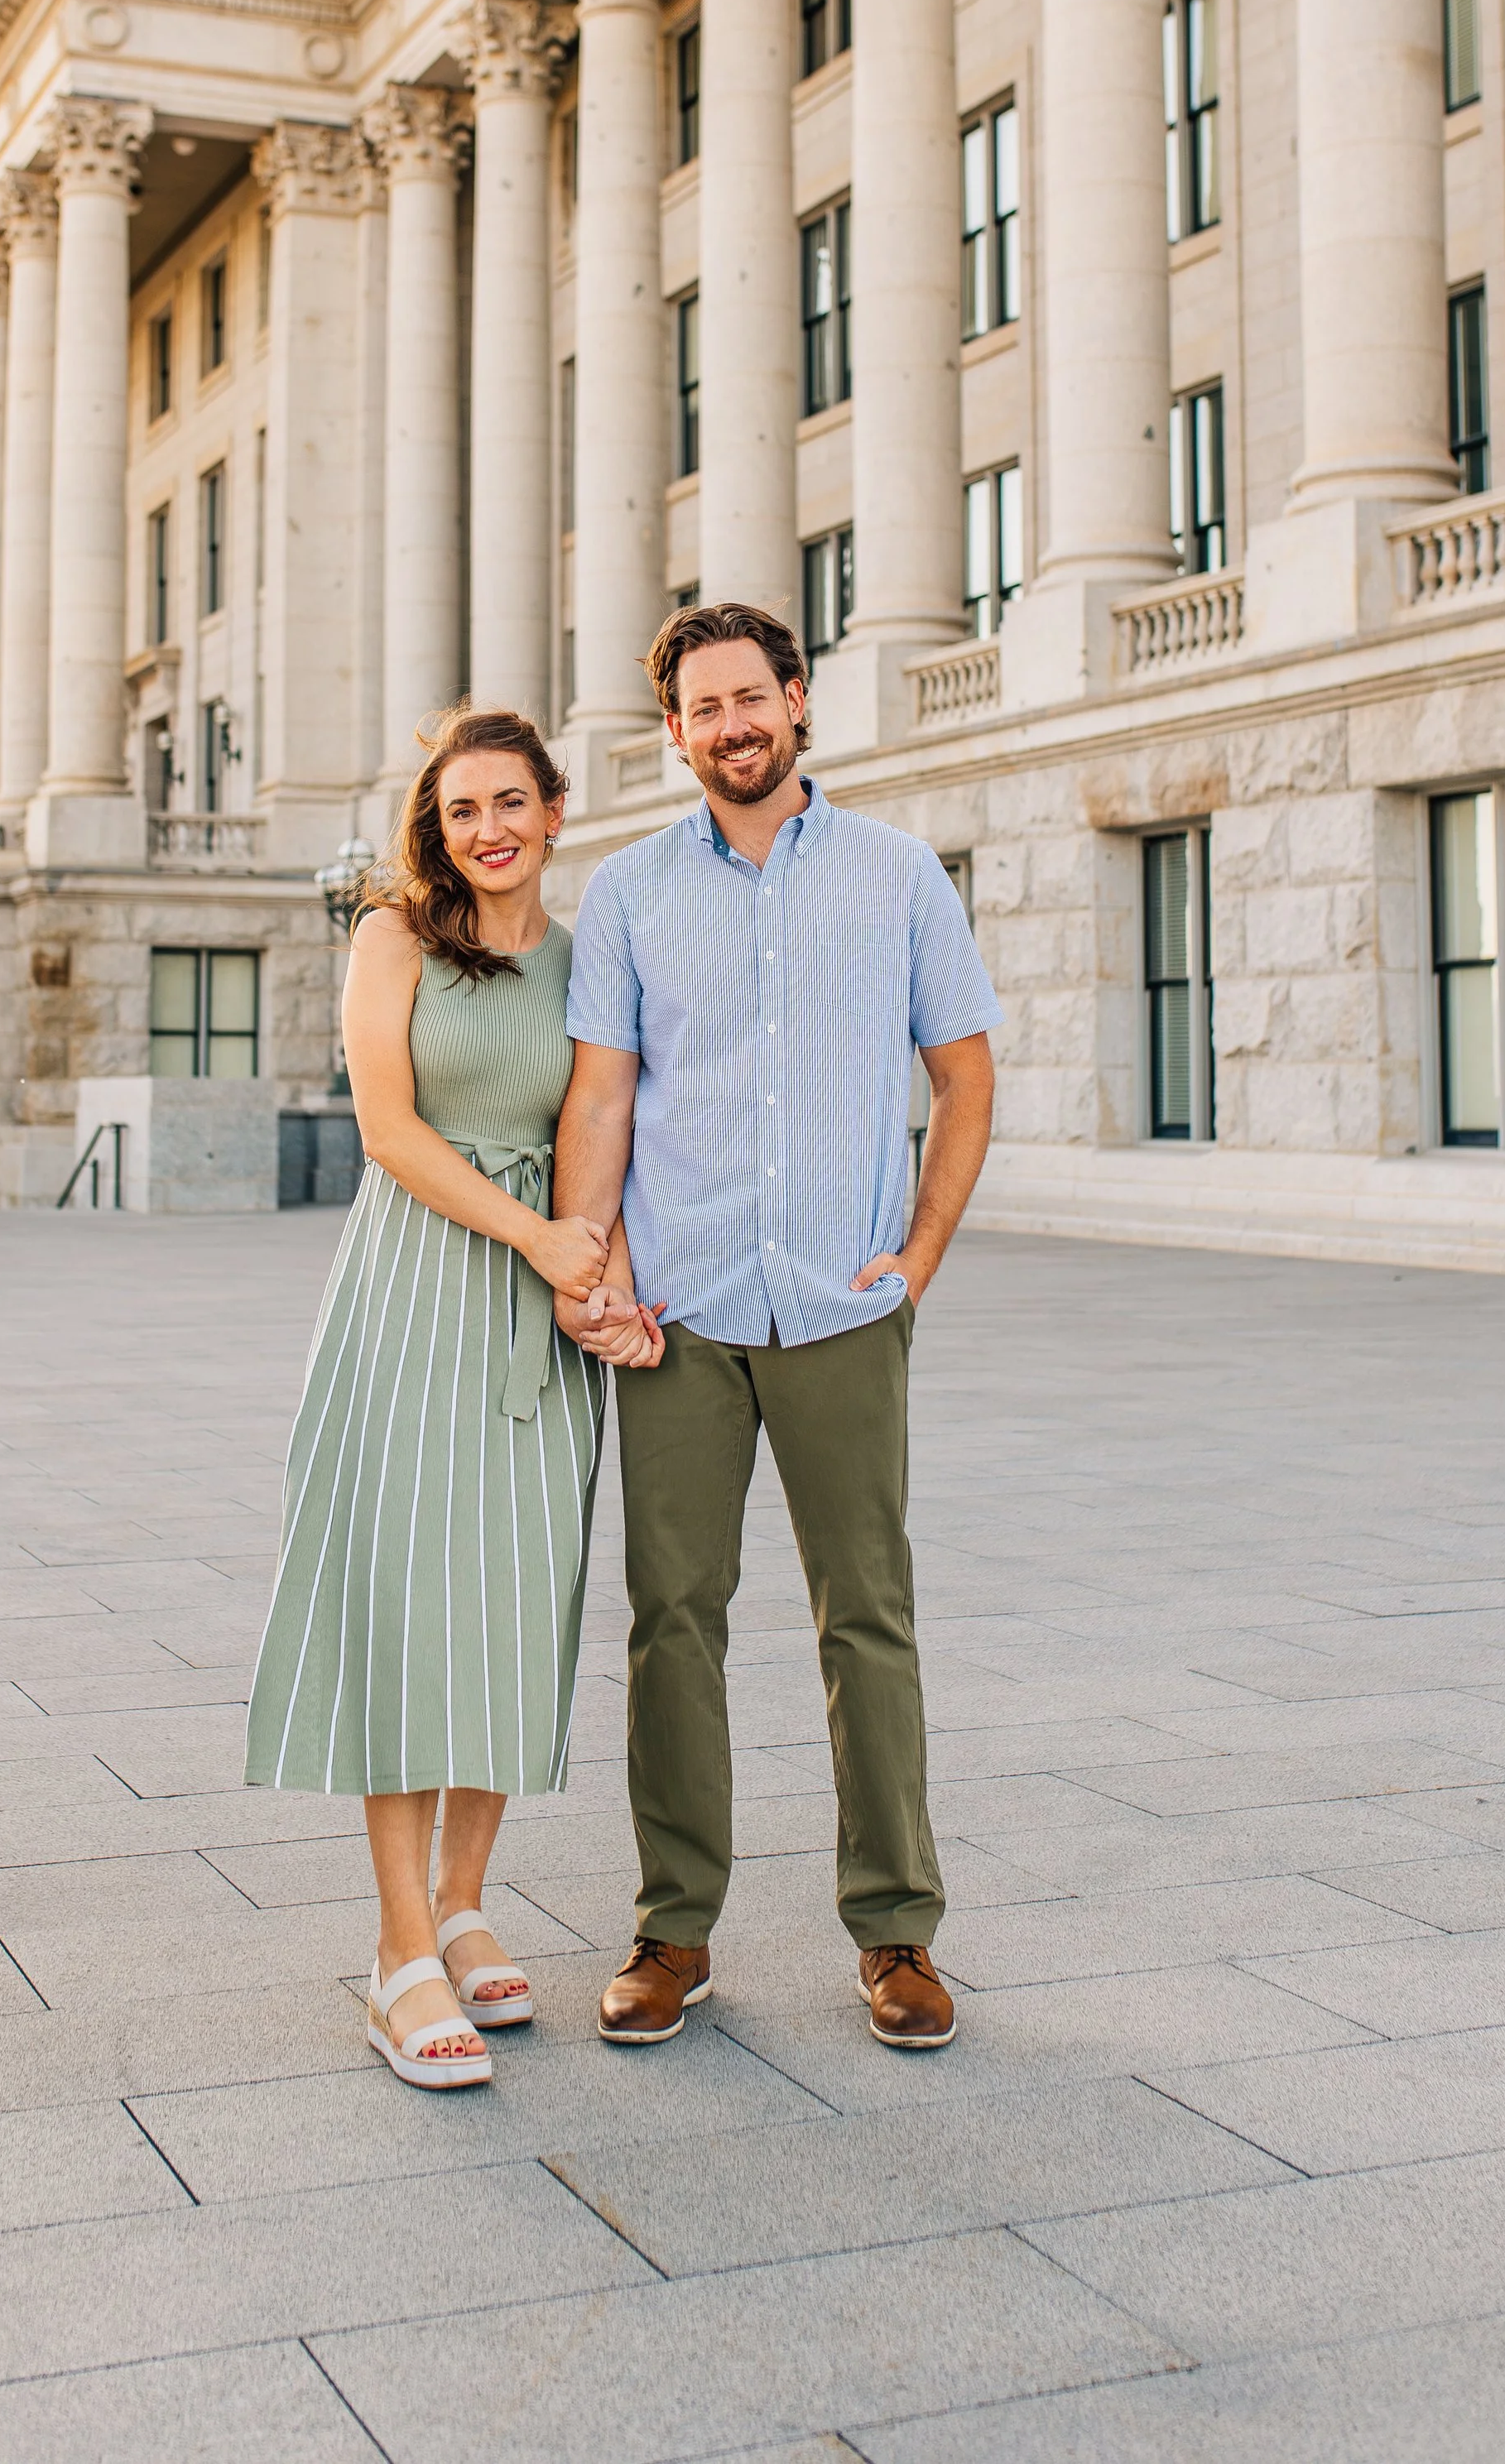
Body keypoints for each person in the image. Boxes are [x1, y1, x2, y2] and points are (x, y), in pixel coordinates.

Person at [556, 603, 1001, 2051]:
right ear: (676, 733)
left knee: (866, 1616)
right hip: (679, 1313)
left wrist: (914, 1262)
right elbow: (605, 1097)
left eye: (753, 696)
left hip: (839, 1307)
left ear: (799, 702)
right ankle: (672, 1930)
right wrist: (596, 1267)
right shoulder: (627, 892)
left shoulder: (893, 874)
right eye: (704, 707)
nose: (732, 724)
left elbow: (966, 1075)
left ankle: (898, 1935)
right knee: (669, 1621)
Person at [246, 706, 661, 2090]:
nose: (486, 827)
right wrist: (540, 1237)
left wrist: (597, 1270)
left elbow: (604, 1119)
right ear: (438, 825)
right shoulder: (392, 940)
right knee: (409, 1603)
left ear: (554, 810)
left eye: (510, 802)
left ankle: (470, 1896)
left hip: (543, 1304)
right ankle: (400, 1947)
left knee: (513, 1597)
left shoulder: (589, 950)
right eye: (460, 806)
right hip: (420, 1284)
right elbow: (388, 1130)